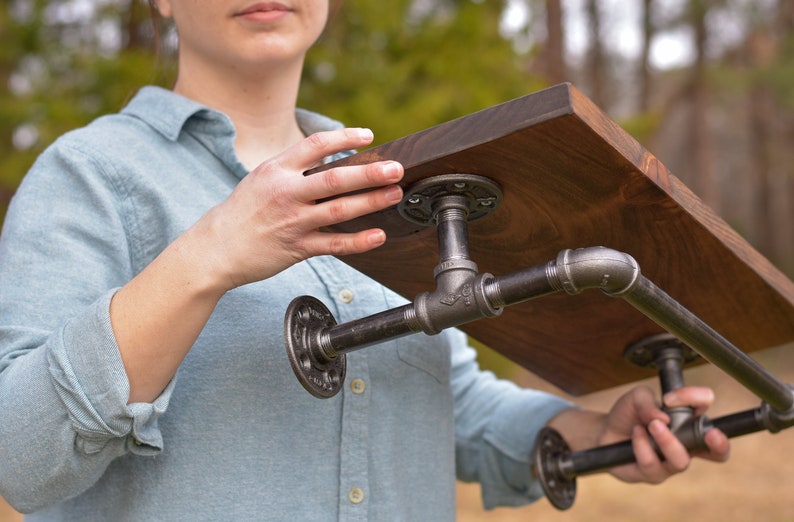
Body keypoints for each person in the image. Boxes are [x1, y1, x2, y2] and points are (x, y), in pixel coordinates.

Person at [0, 1, 729, 520]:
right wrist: (209, 255)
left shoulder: (389, 188)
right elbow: (20, 458)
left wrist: (590, 436)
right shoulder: (90, 173)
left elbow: (453, 402)